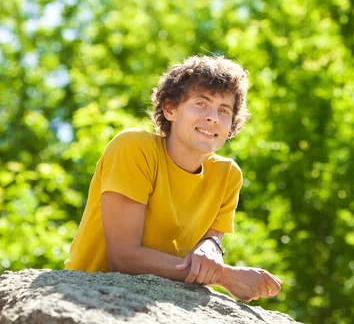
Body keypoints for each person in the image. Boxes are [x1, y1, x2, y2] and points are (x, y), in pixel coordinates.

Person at [65, 55, 281, 302]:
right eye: (201, 103)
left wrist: (212, 248)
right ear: (170, 109)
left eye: (224, 110)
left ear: (231, 125)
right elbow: (123, 258)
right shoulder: (134, 147)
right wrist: (224, 276)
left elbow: (212, 242)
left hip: (160, 300)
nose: (213, 117)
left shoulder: (227, 176)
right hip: (89, 293)